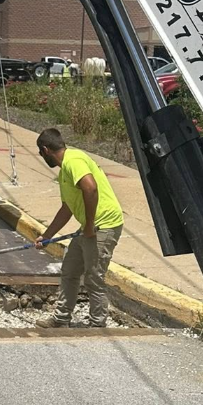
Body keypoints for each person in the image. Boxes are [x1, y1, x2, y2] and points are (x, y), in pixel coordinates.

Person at [33, 128, 124, 328]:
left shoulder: (73, 160)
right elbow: (67, 208)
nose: (42, 157)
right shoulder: (65, 170)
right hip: (89, 227)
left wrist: (90, 225)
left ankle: (97, 325)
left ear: (45, 150)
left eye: (41, 153)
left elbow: (90, 187)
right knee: (70, 270)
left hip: (104, 225)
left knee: (93, 277)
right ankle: (61, 318)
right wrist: (46, 236)